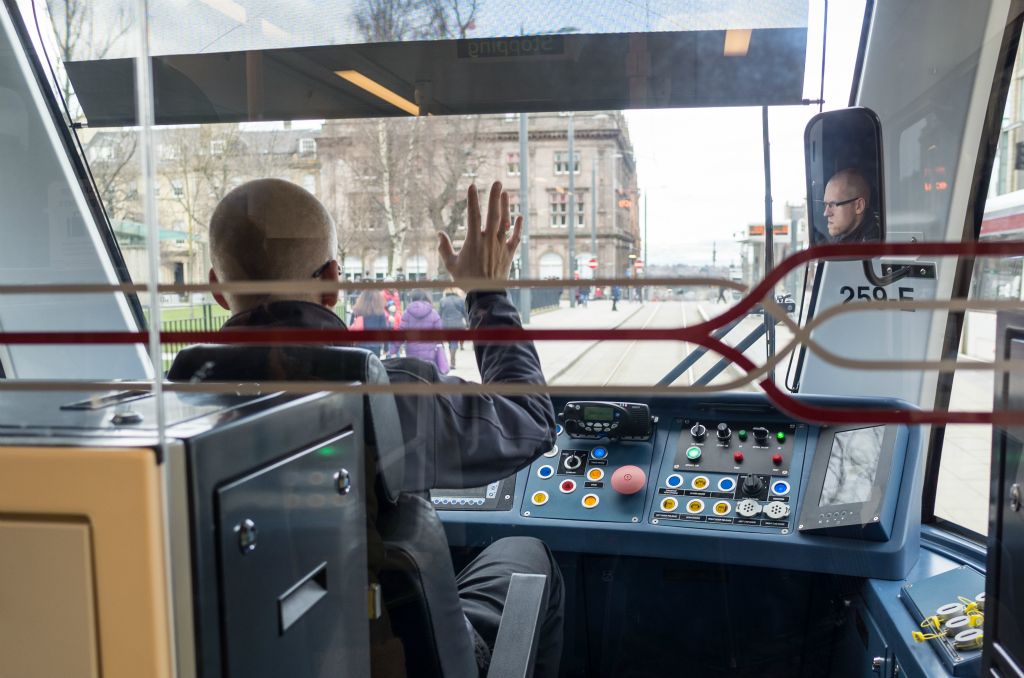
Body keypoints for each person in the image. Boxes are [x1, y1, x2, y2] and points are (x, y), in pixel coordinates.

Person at [206, 178, 563, 678]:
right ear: (332, 282)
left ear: (217, 291)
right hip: (389, 658)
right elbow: (530, 419)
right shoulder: (390, 397)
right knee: (525, 554)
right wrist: (487, 293)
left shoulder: (178, 413)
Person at [822, 168, 881, 243]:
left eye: (833, 204)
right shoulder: (845, 236)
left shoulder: (869, 249)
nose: (826, 213)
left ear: (858, 206)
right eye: (825, 204)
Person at [397, 289, 446, 373]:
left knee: (414, 375)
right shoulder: (433, 313)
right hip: (430, 352)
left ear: (411, 299)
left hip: (411, 353)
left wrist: (393, 349)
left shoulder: (407, 314)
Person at [350, 289, 388, 357]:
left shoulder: (357, 310)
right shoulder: (380, 312)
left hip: (360, 344)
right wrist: (386, 347)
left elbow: (352, 327)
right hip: (375, 344)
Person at [440, 287, 469, 369]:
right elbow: (465, 313)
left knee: (450, 342)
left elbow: (439, 314)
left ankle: (452, 359)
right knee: (454, 342)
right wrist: (467, 323)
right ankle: (453, 362)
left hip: (446, 325)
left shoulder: (442, 300)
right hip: (457, 325)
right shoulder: (460, 300)